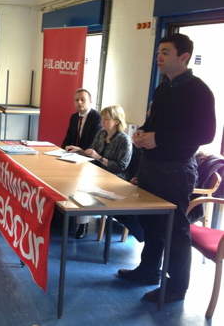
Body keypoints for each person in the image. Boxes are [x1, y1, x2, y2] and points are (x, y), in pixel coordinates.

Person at [117, 33, 216, 304]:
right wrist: (143, 135)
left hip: (175, 170)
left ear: (183, 57)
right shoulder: (163, 88)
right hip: (152, 165)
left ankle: (176, 288)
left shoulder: (199, 90)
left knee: (175, 230)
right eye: (158, 52)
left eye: (165, 53)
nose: (159, 57)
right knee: (151, 224)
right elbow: (154, 123)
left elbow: (206, 134)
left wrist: (159, 138)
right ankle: (148, 270)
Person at [66, 105, 133, 239]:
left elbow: (120, 166)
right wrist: (79, 150)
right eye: (102, 118)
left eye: (106, 119)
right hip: (97, 172)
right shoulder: (101, 134)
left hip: (115, 178)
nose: (102, 122)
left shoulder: (124, 140)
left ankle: (82, 223)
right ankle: (80, 222)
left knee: (84, 187)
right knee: (76, 182)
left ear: (117, 121)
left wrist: (99, 158)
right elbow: (92, 152)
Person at [61, 88, 102, 238]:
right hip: (74, 157)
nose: (79, 103)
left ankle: (82, 224)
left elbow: (95, 144)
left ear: (90, 101)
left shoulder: (97, 118)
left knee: (81, 186)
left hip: (90, 160)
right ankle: (64, 215)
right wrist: (62, 151)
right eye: (76, 100)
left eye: (82, 100)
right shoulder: (73, 117)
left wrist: (81, 150)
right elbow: (68, 137)